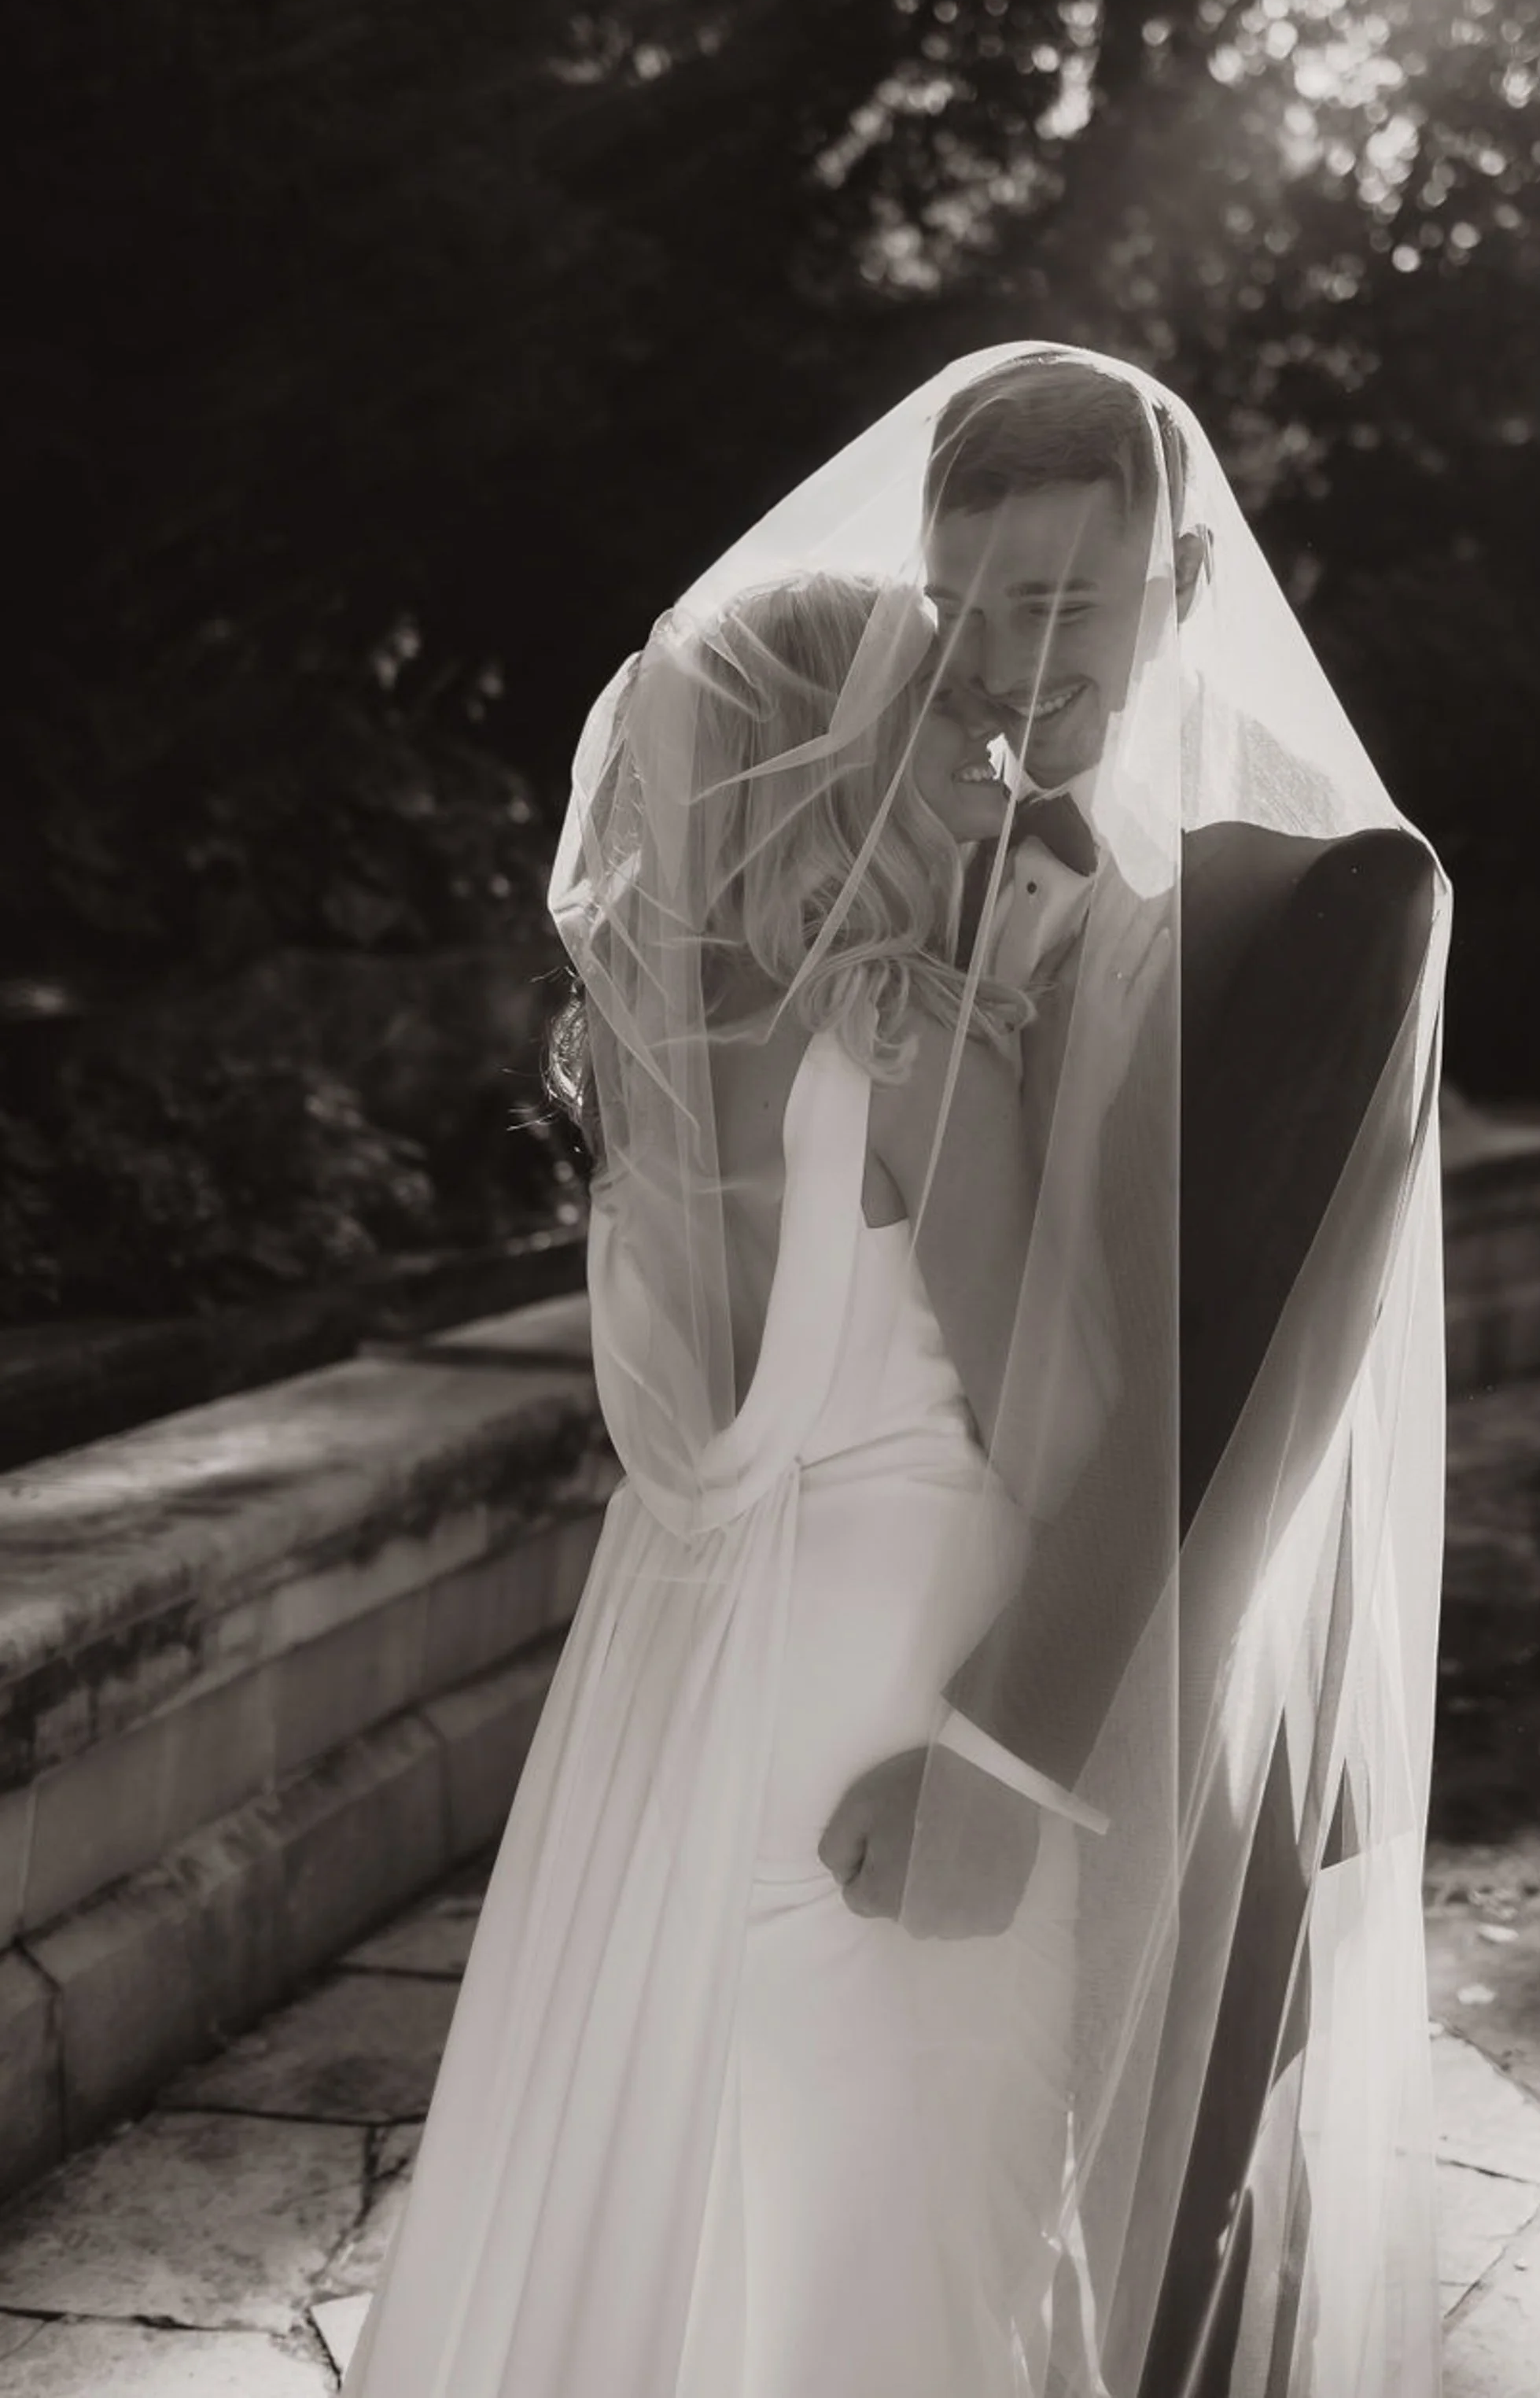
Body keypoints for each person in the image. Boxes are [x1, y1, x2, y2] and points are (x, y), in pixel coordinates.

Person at [342, 567, 1098, 2398]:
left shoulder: (642, 1046)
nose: (981, 751)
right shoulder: (910, 1043)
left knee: (717, 2173)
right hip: (900, 1665)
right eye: (938, 717)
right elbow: (1056, 1430)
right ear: (840, 759)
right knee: (901, 2213)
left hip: (682, 1662)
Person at [820, 347, 1449, 2397]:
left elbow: (1232, 1388)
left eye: (1060, 601)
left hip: (1173, 1689)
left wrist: (1008, 1760)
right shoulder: (950, 858)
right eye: (964, 603)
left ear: (1179, 581)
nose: (1004, 660)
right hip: (944, 1633)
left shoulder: (1337, 893)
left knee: (1131, 2259)